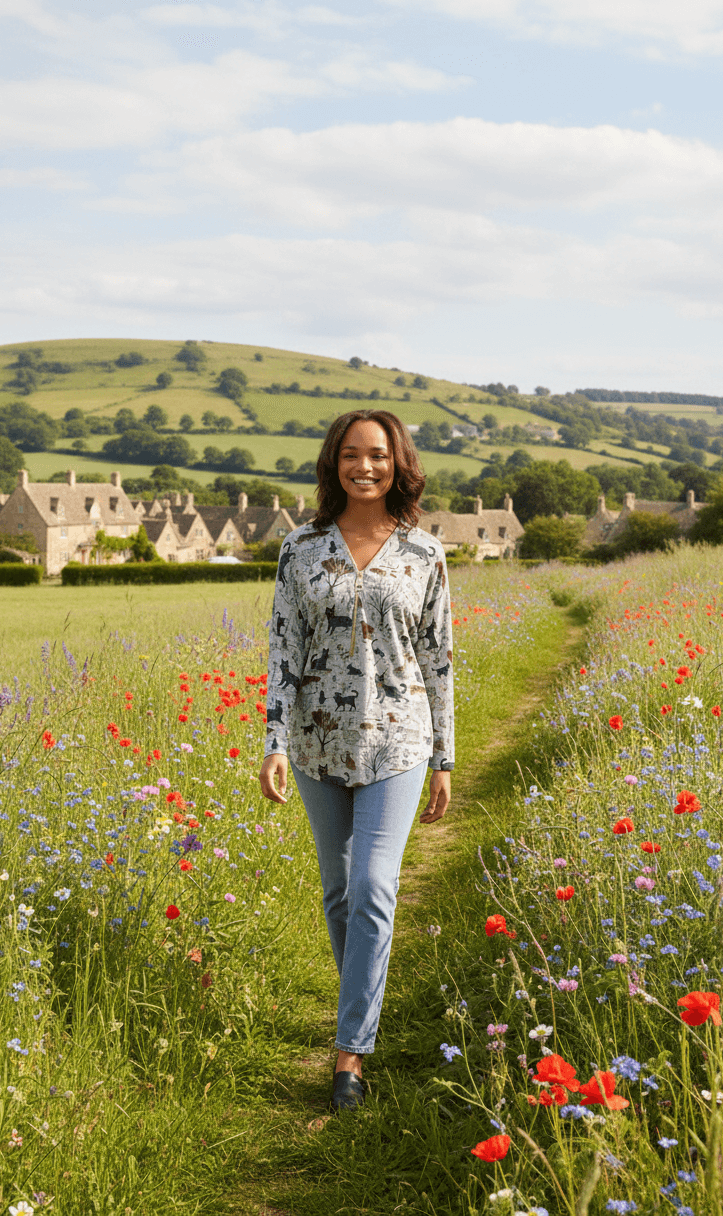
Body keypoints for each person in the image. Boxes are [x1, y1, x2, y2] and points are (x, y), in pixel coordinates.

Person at [259, 410, 454, 1112]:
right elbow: (282, 650)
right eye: (350, 454)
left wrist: (443, 759)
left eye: (377, 455)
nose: (364, 467)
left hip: (400, 740)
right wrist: (273, 742)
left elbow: (439, 660)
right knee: (339, 893)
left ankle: (349, 1056)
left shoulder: (425, 553)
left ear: (398, 463)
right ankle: (361, 1008)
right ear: (332, 462)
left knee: (374, 885)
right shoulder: (300, 549)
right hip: (316, 742)